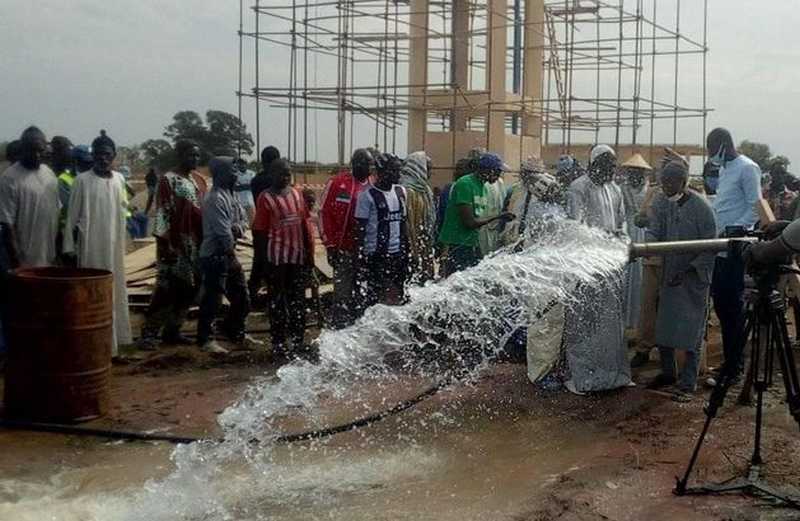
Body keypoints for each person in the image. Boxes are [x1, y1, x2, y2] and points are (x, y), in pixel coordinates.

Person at [638, 162, 717, 400]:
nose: (666, 187)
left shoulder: (702, 208)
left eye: (671, 183)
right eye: (663, 182)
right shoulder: (661, 202)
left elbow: (711, 245)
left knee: (691, 331)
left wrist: (690, 269)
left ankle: (688, 381)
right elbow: (655, 230)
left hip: (693, 279)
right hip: (669, 274)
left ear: (683, 182)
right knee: (665, 327)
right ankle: (668, 373)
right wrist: (645, 247)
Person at [563, 144, 631, 394]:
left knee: (610, 323)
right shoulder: (578, 188)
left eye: (614, 166)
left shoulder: (614, 190)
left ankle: (612, 374)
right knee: (584, 323)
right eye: (608, 165)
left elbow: (622, 223)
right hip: (586, 266)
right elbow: (574, 228)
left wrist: (621, 241)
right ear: (594, 165)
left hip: (610, 267)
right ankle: (584, 377)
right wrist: (605, 236)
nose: (612, 170)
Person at [62, 131, 132, 357]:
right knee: (93, 296)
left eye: (108, 155)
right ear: (93, 156)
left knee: (115, 292)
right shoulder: (82, 181)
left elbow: (122, 211)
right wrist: (69, 248)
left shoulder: (120, 180)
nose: (103, 158)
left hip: (115, 247)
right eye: (99, 154)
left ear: (114, 156)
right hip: (92, 246)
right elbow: (71, 218)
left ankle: (114, 345)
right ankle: (94, 346)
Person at [138, 140, 208, 349]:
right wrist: (165, 243)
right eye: (190, 155)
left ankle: (173, 330)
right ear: (180, 156)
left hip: (193, 243)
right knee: (166, 289)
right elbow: (163, 213)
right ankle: (149, 333)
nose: (194, 159)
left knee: (188, 288)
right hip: (174, 243)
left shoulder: (195, 181)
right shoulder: (168, 181)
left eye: (197, 155)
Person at [707, 128, 761, 377]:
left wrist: (735, 229)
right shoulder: (726, 169)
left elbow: (755, 207)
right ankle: (731, 361)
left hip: (735, 246)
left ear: (723, 145)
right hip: (719, 247)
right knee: (721, 305)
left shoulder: (747, 168)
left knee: (731, 307)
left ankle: (734, 365)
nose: (710, 156)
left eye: (711, 150)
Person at [196, 157, 262, 354]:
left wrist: (237, 228)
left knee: (242, 298)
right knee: (213, 300)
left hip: (228, 254)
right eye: (232, 171)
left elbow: (243, 223)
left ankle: (235, 331)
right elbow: (224, 234)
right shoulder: (215, 199)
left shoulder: (231, 195)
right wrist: (235, 232)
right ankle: (205, 339)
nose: (236, 174)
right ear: (220, 174)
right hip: (216, 256)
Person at [253, 159, 312, 357]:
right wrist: (263, 263)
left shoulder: (296, 194)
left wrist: (308, 254)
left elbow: (305, 225)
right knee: (278, 301)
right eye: (281, 174)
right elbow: (260, 232)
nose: (285, 177)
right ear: (272, 174)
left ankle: (297, 341)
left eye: (288, 174)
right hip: (276, 259)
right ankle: (278, 342)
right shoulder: (265, 198)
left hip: (296, 257)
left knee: (298, 301)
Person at [319, 149, 373, 327]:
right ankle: (339, 329)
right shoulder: (337, 183)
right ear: (354, 163)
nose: (368, 167)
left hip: (365, 252)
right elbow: (324, 214)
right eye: (364, 163)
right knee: (342, 293)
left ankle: (358, 328)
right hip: (343, 250)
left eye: (370, 164)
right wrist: (330, 245)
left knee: (362, 293)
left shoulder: (373, 186)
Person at [438, 152, 513, 276]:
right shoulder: (465, 184)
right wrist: (499, 216)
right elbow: (469, 222)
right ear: (489, 171)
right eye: (498, 172)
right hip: (457, 245)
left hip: (471, 243)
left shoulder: (482, 187)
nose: (500, 175)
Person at [0, 126, 60, 269]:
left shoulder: (49, 175)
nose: (37, 155)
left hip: (48, 258)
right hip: (24, 263)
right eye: (32, 150)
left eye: (41, 150)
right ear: (22, 150)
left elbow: (55, 215)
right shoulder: (9, 178)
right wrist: (18, 263)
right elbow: (7, 225)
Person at [355, 152, 408, 306]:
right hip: (376, 256)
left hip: (398, 254)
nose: (398, 174)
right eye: (395, 170)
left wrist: (407, 250)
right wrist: (360, 259)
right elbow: (360, 230)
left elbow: (404, 223)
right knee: (377, 298)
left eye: (399, 170)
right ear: (382, 172)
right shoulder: (367, 196)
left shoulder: (400, 192)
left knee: (399, 295)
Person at [619, 153, 653, 335]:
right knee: (626, 274)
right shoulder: (622, 189)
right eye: (632, 171)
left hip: (643, 232)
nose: (634, 175)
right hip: (627, 230)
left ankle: (637, 321)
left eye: (638, 172)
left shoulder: (649, 190)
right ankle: (624, 320)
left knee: (640, 276)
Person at [247, 145, 281, 303]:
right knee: (272, 264)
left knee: (258, 261)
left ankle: (253, 294)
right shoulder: (275, 181)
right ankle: (272, 296)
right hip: (273, 228)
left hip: (259, 226)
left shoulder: (256, 180)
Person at [399, 151, 435, 283]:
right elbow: (407, 222)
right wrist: (413, 247)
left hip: (424, 242)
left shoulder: (424, 189)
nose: (430, 173)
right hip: (410, 243)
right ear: (418, 167)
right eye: (429, 168)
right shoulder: (406, 190)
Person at [234, 158, 256, 223]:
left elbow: (253, 186)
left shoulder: (252, 173)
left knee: (253, 223)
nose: (242, 165)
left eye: (243, 163)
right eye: (240, 163)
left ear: (246, 164)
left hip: (251, 202)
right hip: (240, 203)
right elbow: (235, 188)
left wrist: (241, 186)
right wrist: (247, 186)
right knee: (241, 223)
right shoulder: (235, 174)